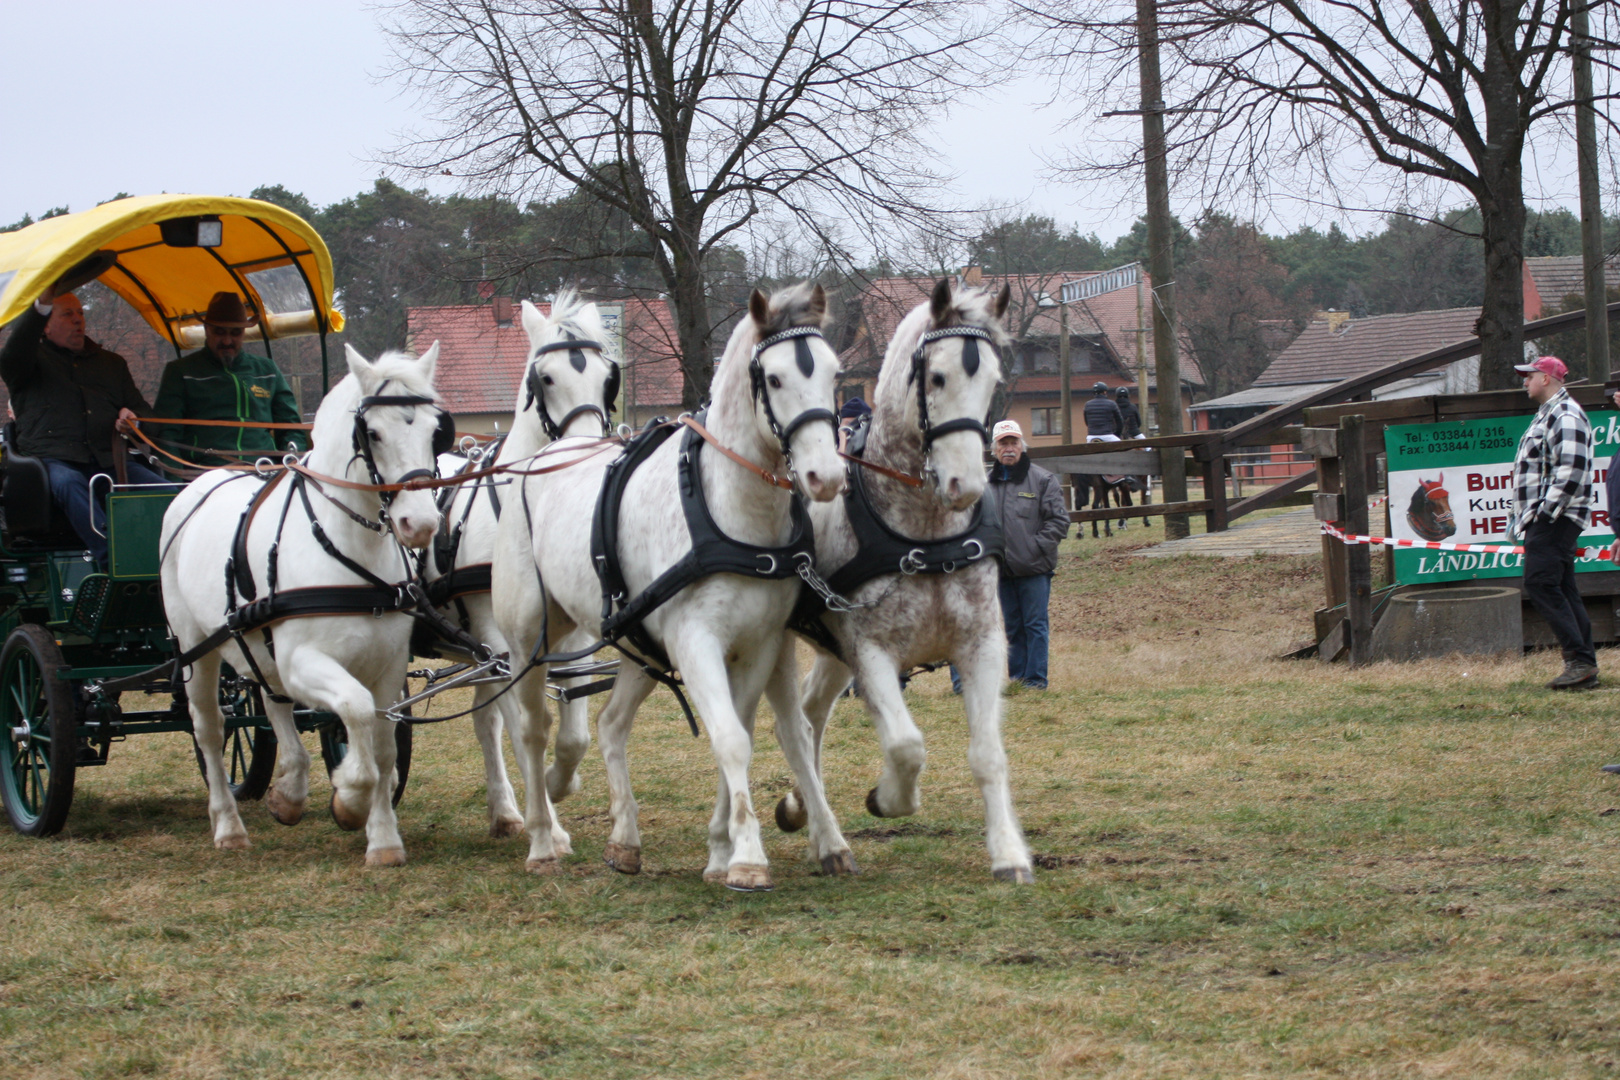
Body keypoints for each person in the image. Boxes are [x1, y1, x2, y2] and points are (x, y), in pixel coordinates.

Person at [0, 286, 168, 565]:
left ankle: (168, 559)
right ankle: (114, 560)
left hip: (110, 461)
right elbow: (12, 354)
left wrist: (134, 419)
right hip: (54, 462)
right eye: (67, 314)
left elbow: (147, 418)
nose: (79, 319)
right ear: (46, 326)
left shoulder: (112, 364)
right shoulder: (27, 364)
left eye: (80, 312)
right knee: (69, 483)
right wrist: (40, 305)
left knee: (170, 493)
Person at [1510, 355, 1597, 690]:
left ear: (1546, 378)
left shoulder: (1566, 414)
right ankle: (1583, 663)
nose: (1524, 381)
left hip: (1555, 518)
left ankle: (1579, 661)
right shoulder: (1550, 414)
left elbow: (1572, 469)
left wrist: (1546, 513)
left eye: (1529, 375)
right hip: (1551, 518)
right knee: (1561, 586)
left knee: (1541, 583)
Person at [151, 292, 308, 466]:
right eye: (219, 332)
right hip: (205, 471)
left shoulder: (267, 370)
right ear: (206, 330)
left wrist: (292, 461)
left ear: (244, 333)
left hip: (263, 469)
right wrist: (174, 483)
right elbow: (167, 434)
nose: (227, 340)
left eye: (235, 333)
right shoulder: (181, 372)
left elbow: (290, 426)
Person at [985, 419, 1070, 689]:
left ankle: (1036, 680)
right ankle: (1018, 680)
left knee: (1035, 625)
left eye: (1013, 442)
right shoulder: (986, 485)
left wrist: (1034, 549)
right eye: (1003, 443)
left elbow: (1058, 522)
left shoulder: (1043, 479)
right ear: (994, 449)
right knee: (1012, 627)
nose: (1009, 448)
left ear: (1022, 446)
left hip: (1034, 569)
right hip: (1002, 570)